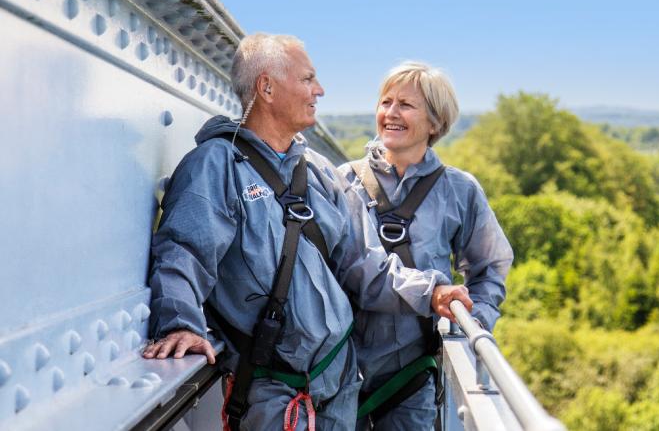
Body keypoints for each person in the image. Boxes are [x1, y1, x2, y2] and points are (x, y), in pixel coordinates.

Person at [142, 35, 472, 431]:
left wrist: (431, 291)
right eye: (307, 79)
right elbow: (183, 251)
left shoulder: (317, 171)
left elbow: (361, 264)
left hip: (339, 387)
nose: (320, 90)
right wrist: (179, 323)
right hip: (274, 395)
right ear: (267, 88)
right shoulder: (216, 166)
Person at [338, 61, 513, 430]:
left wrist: (472, 323)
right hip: (338, 373)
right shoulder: (344, 182)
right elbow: (350, 265)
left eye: (406, 104)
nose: (391, 113)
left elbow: (490, 268)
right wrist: (432, 293)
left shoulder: (459, 190)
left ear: (435, 123)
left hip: (412, 375)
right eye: (386, 102)